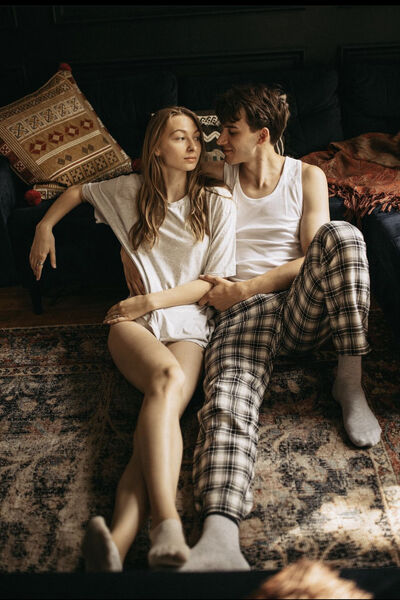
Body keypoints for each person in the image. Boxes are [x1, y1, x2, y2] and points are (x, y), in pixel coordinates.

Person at [176, 83, 382, 572]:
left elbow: (315, 256)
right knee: (227, 399)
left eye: (231, 131)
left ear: (262, 134)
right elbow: (154, 167)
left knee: (343, 235)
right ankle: (219, 533)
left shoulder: (307, 176)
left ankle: (349, 382)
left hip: (297, 307)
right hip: (240, 316)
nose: (220, 140)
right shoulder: (217, 172)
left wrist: (246, 288)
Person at [28, 106, 236, 571]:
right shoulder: (130, 191)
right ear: (156, 147)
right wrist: (44, 225)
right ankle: (167, 523)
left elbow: (212, 282)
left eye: (195, 138)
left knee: (156, 421)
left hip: (187, 322)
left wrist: (148, 301)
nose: (193, 146)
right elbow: (78, 191)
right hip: (132, 324)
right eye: (179, 137)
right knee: (166, 383)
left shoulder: (217, 201)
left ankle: (118, 545)